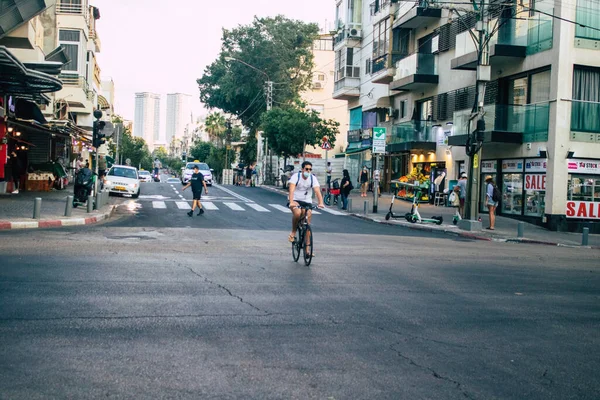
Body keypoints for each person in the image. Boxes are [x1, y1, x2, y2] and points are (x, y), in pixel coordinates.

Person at [288, 161, 325, 245]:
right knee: (297, 213)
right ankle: (293, 232)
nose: (308, 171)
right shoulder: (296, 177)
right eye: (306, 169)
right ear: (302, 169)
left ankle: (307, 250)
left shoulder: (312, 178)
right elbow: (291, 190)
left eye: (310, 169)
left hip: (307, 201)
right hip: (295, 199)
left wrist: (321, 202)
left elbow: (317, 191)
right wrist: (291, 202)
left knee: (307, 221)